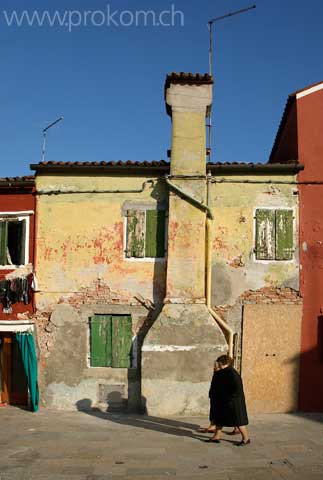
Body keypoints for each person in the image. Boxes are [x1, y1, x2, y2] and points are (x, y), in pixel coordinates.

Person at [206, 354, 250, 446]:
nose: (217, 364)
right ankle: (216, 436)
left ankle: (246, 439)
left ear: (224, 363)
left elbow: (237, 389)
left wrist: (229, 398)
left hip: (233, 402)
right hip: (223, 401)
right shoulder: (222, 371)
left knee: (238, 420)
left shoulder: (232, 373)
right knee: (219, 418)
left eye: (219, 363)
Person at [198, 360, 239, 435]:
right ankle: (213, 427)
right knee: (215, 412)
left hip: (222, 397)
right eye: (215, 365)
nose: (214, 367)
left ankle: (237, 428)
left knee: (230, 413)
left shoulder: (224, 373)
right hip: (215, 396)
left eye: (216, 365)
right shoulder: (217, 373)